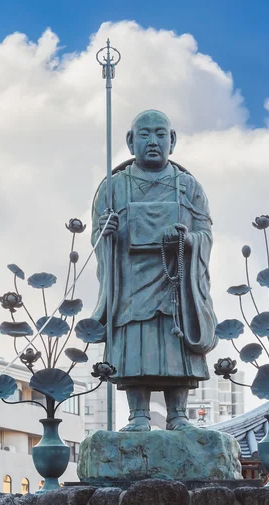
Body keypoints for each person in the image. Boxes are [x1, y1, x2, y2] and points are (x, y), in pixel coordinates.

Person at [91, 109, 217, 431]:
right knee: (136, 339)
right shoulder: (113, 187)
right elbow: (97, 237)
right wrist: (107, 232)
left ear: (172, 141)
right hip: (132, 283)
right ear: (131, 141)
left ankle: (178, 414)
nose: (153, 141)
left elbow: (206, 233)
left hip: (176, 281)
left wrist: (189, 240)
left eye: (161, 134)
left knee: (176, 340)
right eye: (144, 134)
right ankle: (139, 414)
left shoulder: (188, 186)